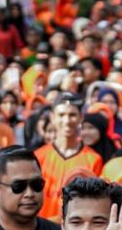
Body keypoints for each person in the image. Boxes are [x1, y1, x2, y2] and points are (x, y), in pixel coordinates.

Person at [35, 93, 103, 221]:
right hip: (41, 228)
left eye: (72, 115)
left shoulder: (93, 159)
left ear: (81, 118)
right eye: (61, 115)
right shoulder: (38, 156)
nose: (67, 121)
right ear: (53, 117)